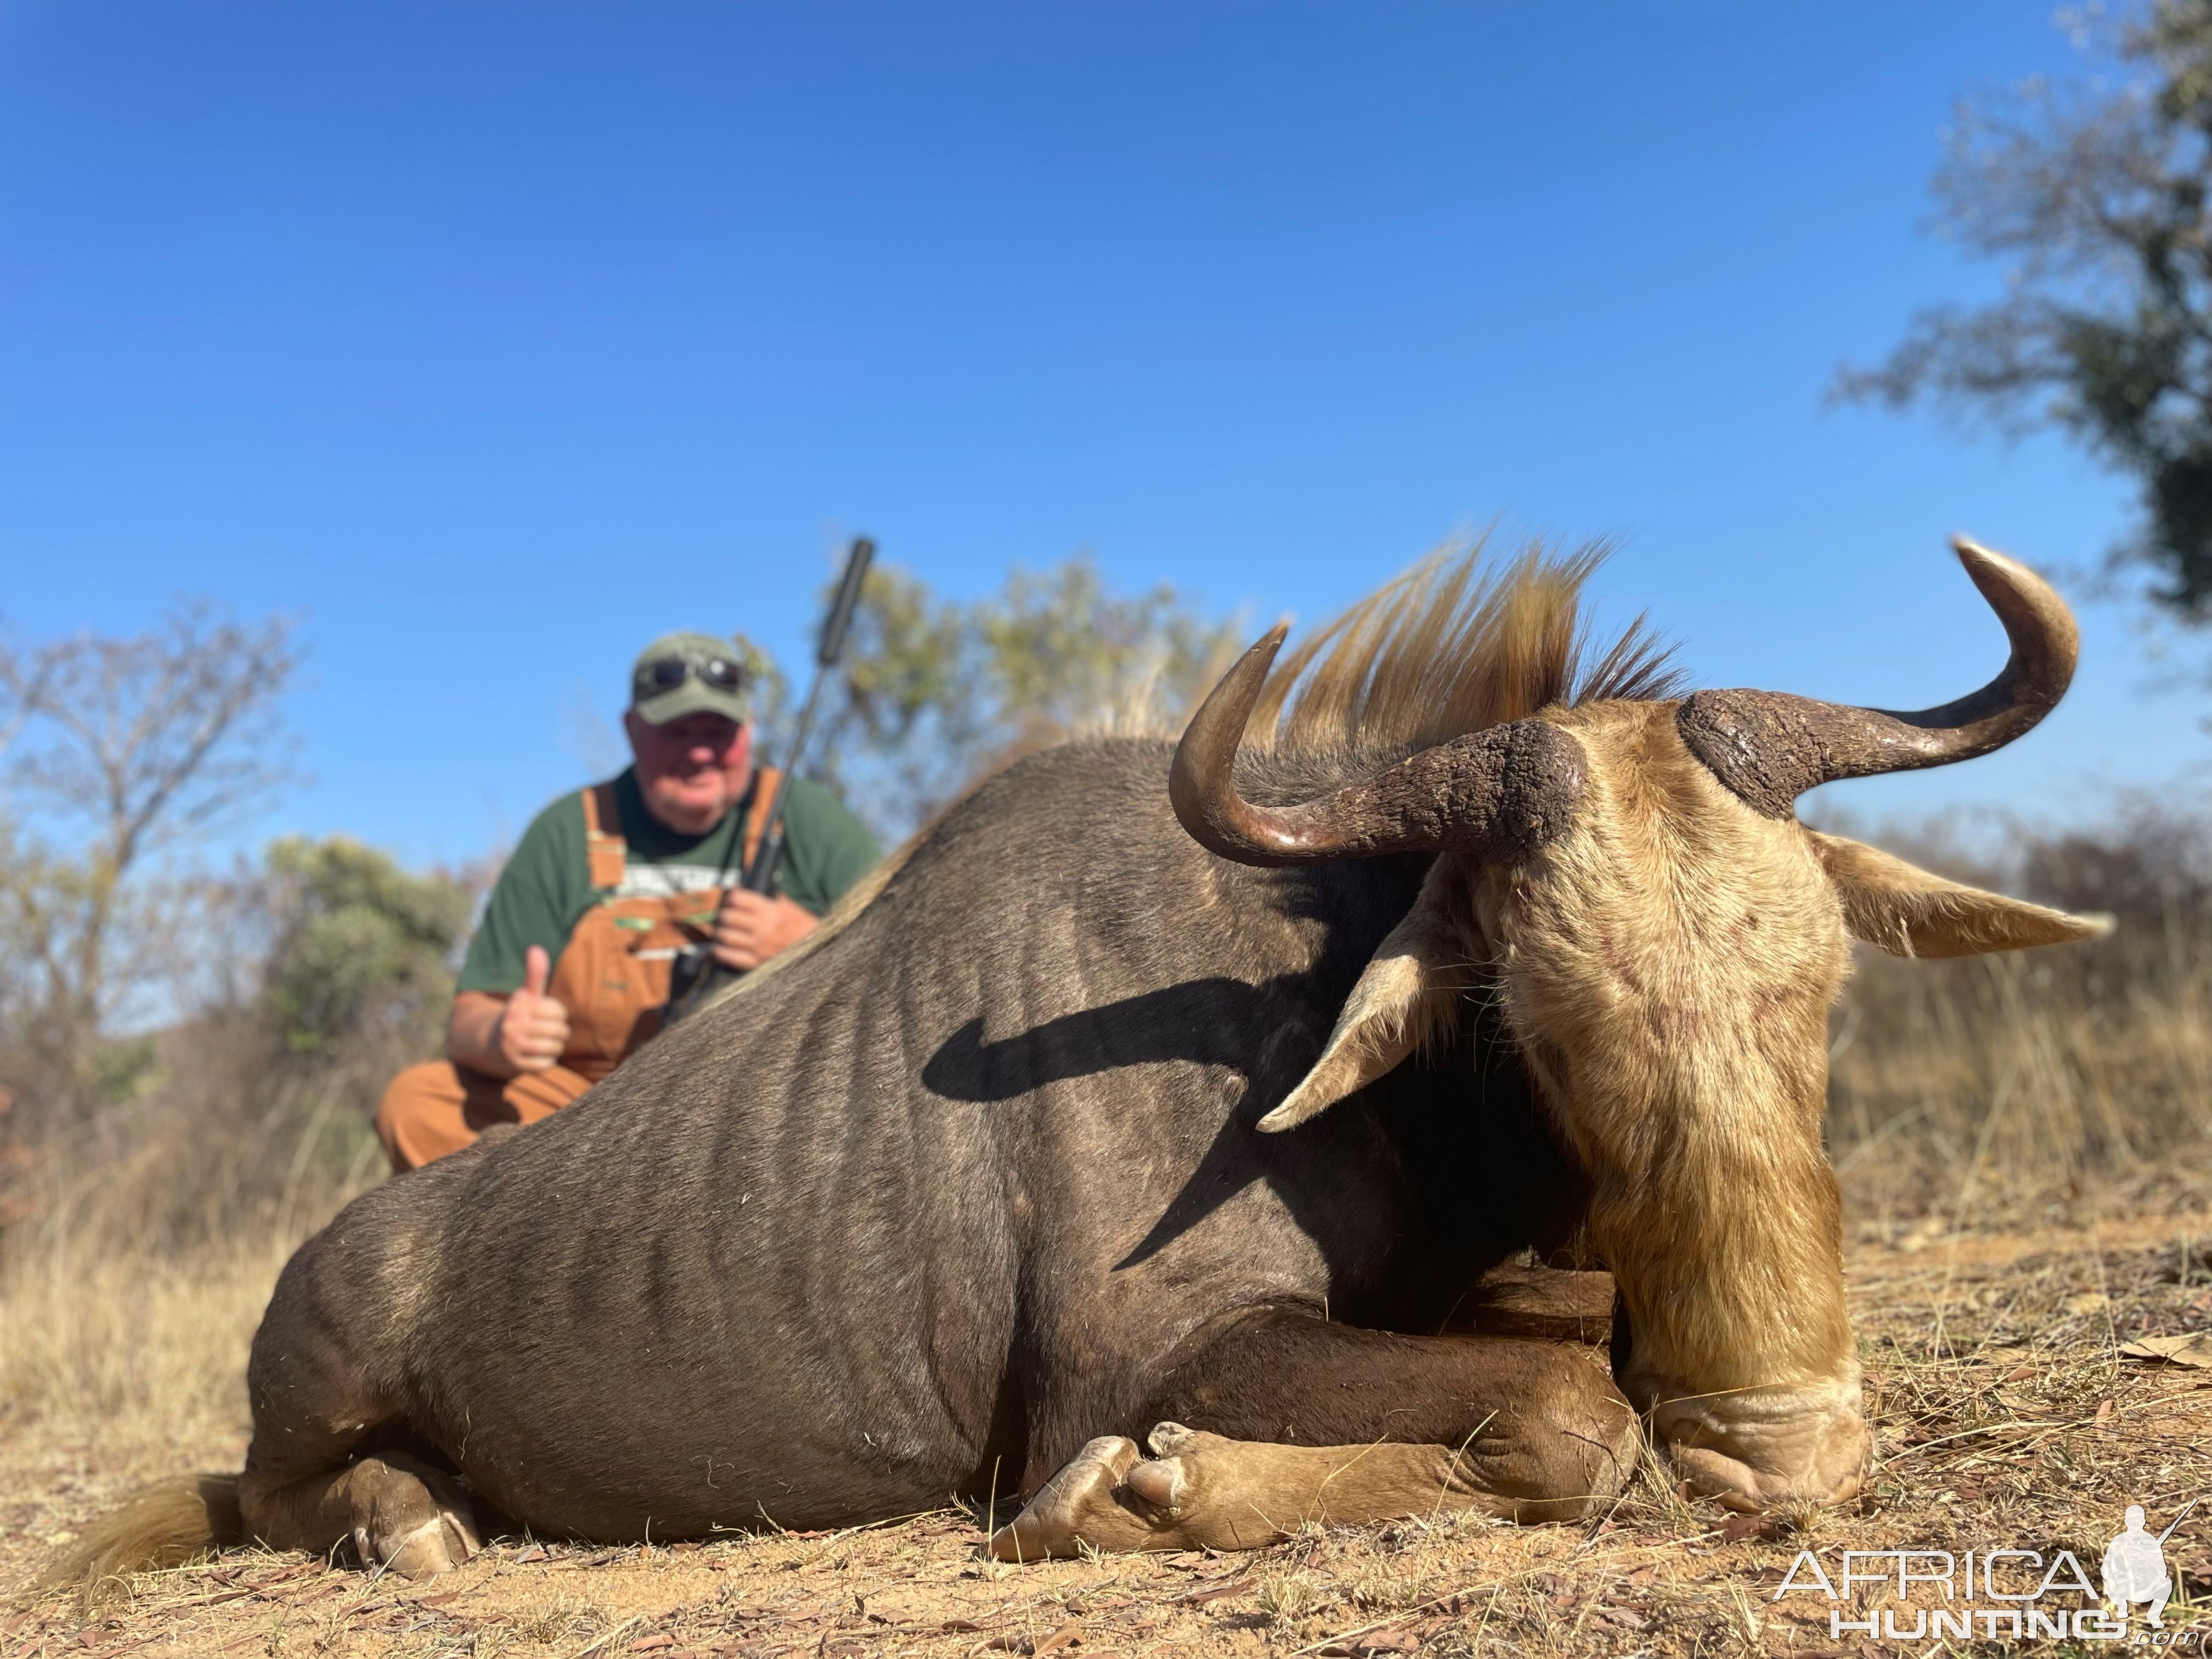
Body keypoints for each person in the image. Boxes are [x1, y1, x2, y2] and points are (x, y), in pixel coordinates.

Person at [375, 631, 880, 1171]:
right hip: (588, 1124)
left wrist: (811, 944)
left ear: (750, 729)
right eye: (676, 730)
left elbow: (902, 965)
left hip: (766, 1117)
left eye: (718, 731)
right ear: (632, 730)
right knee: (417, 1104)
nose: (700, 751)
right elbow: (468, 1019)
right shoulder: (569, 830)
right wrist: (502, 1035)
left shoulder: (810, 819)